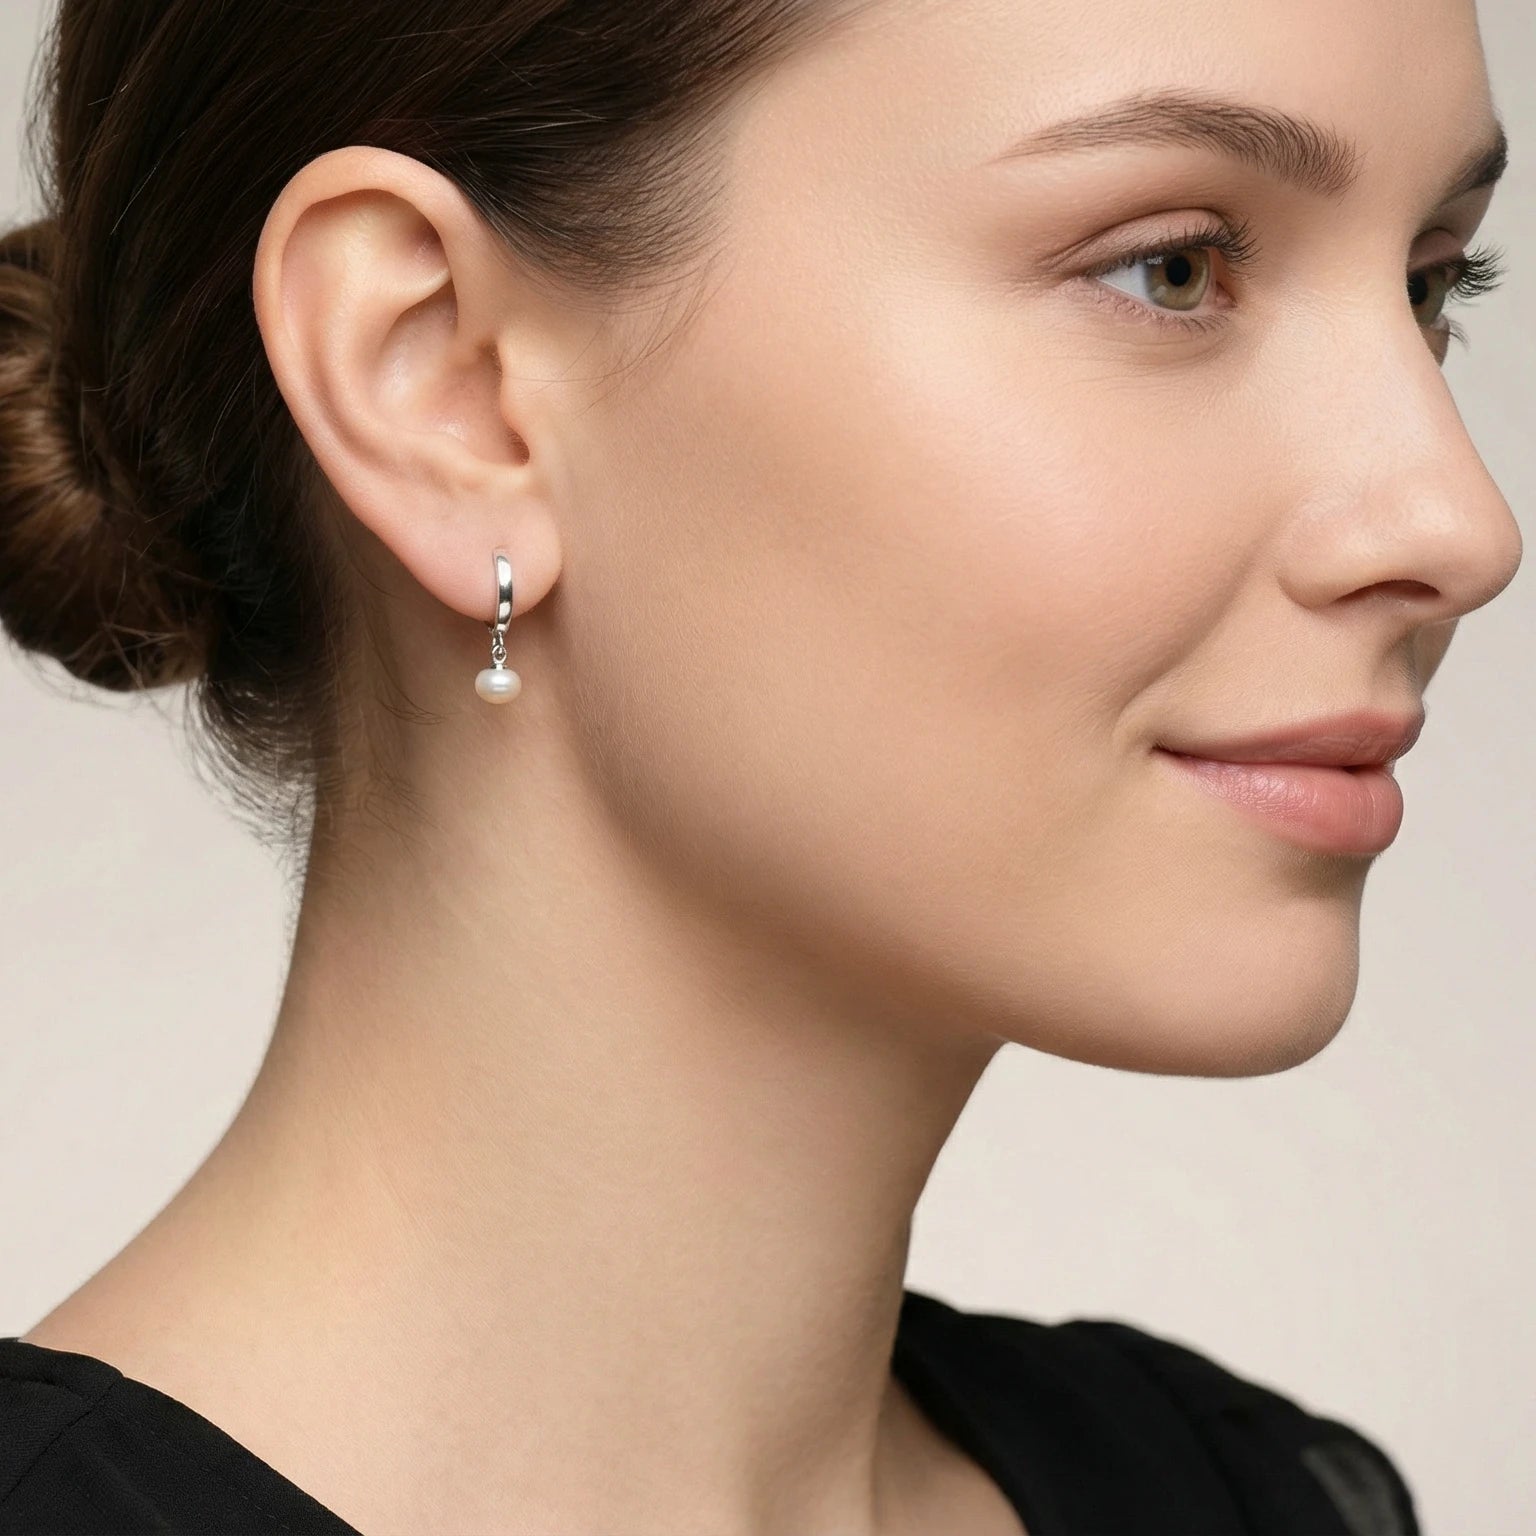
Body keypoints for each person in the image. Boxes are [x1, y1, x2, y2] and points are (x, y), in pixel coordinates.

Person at [0, 0, 1519, 1531]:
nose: (1460, 524)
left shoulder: (1247, 1500)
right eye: (1174, 267)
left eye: (1430, 283)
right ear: (446, 386)